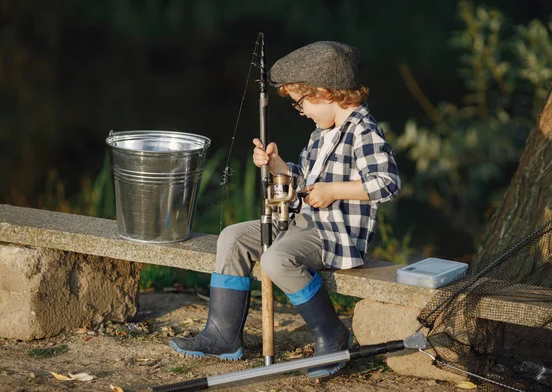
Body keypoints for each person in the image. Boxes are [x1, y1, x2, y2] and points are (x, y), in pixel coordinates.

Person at [169, 41, 401, 378]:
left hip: (335, 235)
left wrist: (334, 190)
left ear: (324, 92)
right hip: (303, 224)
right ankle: (222, 336)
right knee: (232, 237)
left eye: (301, 102)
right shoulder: (322, 133)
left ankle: (332, 334)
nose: (302, 110)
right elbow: (303, 185)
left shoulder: (364, 132)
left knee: (275, 259)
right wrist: (278, 166)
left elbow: (387, 183)